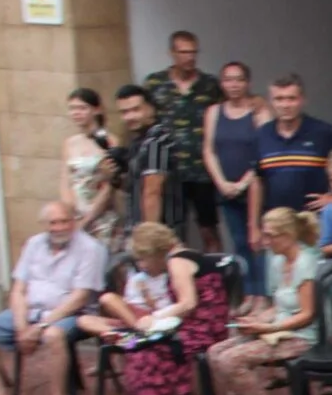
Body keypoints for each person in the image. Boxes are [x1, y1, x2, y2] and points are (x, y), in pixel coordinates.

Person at [81, 221, 230, 395]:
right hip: (196, 324)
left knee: (146, 352)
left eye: (143, 259)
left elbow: (188, 303)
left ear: (155, 253)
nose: (142, 266)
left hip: (202, 328)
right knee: (138, 347)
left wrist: (156, 318)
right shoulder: (182, 256)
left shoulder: (177, 262)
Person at [0, 200, 107, 395]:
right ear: (44, 224)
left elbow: (80, 298)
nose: (59, 227)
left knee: (53, 335)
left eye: (64, 221)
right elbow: (18, 289)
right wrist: (22, 326)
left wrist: (39, 326)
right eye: (53, 222)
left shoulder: (90, 248)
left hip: (70, 313)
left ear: (75, 221)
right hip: (31, 311)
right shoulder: (34, 244)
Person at [207, 207, 321, 395]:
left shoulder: (306, 262)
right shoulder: (277, 261)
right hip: (278, 328)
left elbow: (307, 315)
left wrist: (267, 329)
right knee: (215, 352)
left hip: (301, 335)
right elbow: (276, 306)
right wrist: (257, 320)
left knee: (232, 359)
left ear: (287, 235)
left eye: (270, 235)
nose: (266, 241)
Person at [143, 30, 224, 250]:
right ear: (172, 53)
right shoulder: (155, 83)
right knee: (172, 231)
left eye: (193, 52)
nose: (190, 57)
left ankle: (216, 278)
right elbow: (144, 120)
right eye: (184, 52)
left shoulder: (209, 85)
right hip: (168, 170)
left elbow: (230, 110)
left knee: (209, 229)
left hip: (201, 170)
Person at [202, 61, 269, 287]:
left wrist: (244, 182)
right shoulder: (214, 112)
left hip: (255, 187)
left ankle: (264, 293)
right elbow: (209, 150)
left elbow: (266, 152)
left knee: (258, 240)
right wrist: (221, 182)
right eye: (228, 80)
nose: (234, 85)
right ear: (221, 83)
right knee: (239, 241)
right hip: (226, 189)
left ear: (248, 83)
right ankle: (249, 291)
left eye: (239, 79)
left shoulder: (259, 111)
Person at [255, 75, 332, 218]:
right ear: (270, 102)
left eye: (291, 98)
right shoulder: (262, 135)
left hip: (315, 221)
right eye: (279, 99)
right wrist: (254, 227)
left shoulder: (323, 132)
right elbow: (256, 182)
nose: (285, 105)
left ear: (303, 100)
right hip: (276, 223)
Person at [115, 83, 190, 238]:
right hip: (139, 229)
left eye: (136, 109)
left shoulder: (157, 140)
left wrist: (150, 235)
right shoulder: (139, 141)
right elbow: (135, 187)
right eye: (124, 112)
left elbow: (152, 191)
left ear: (151, 108)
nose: (130, 117)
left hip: (160, 234)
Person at [64, 88, 129, 255]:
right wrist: (69, 212)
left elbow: (110, 185)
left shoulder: (109, 140)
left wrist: (88, 217)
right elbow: (66, 180)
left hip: (101, 214)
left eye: (82, 108)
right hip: (77, 210)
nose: (76, 113)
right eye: (72, 108)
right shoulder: (70, 143)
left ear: (96, 109)